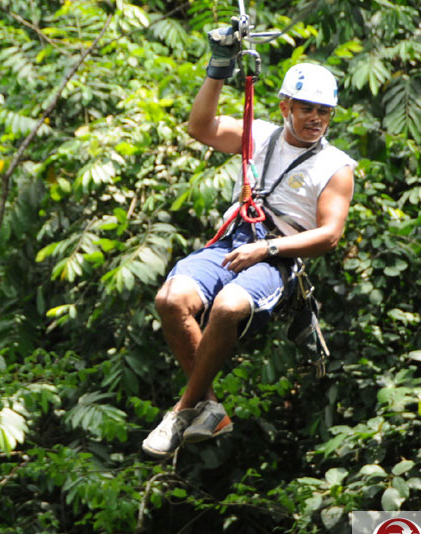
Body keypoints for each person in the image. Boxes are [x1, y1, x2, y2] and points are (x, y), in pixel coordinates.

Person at [141, 25, 357, 458]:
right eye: (307, 109)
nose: (316, 119)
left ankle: (184, 409)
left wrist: (268, 249)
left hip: (276, 254)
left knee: (229, 306)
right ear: (285, 106)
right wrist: (219, 67)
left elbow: (330, 235)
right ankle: (209, 407)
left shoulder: (335, 166)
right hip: (232, 238)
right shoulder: (259, 134)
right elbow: (199, 126)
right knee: (171, 298)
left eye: (325, 112)